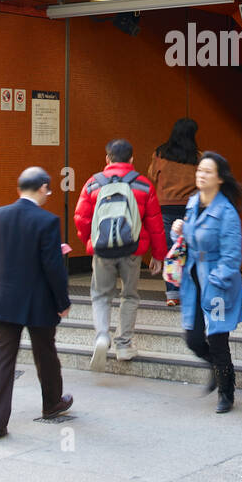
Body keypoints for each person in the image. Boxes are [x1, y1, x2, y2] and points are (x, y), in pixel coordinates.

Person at [0, 167, 74, 439]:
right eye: (49, 189)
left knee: (2, 357)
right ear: (43, 187)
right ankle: (52, 403)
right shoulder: (47, 221)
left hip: (3, 297)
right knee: (45, 352)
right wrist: (62, 300)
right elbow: (53, 267)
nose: (48, 194)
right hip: (38, 300)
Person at [74, 138, 167, 370]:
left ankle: (102, 336)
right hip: (132, 250)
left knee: (100, 295)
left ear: (107, 159)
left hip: (102, 250)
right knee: (129, 295)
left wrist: (91, 241)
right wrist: (158, 255)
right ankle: (124, 344)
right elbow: (155, 223)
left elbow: (82, 218)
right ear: (132, 159)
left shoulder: (93, 184)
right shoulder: (143, 185)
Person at [171, 151, 242, 413]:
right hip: (193, 281)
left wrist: (216, 280)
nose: (200, 175)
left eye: (207, 172)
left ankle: (226, 392)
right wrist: (179, 230)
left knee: (217, 339)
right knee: (193, 339)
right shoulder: (193, 202)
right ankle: (215, 369)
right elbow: (187, 241)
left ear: (219, 178)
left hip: (217, 283)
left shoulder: (226, 212)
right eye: (199, 170)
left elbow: (232, 256)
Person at [149, 118, 200, 307]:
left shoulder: (160, 154)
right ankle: (190, 290)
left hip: (165, 208)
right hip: (190, 209)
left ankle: (172, 294)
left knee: (172, 251)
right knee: (190, 250)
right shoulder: (197, 157)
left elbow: (152, 175)